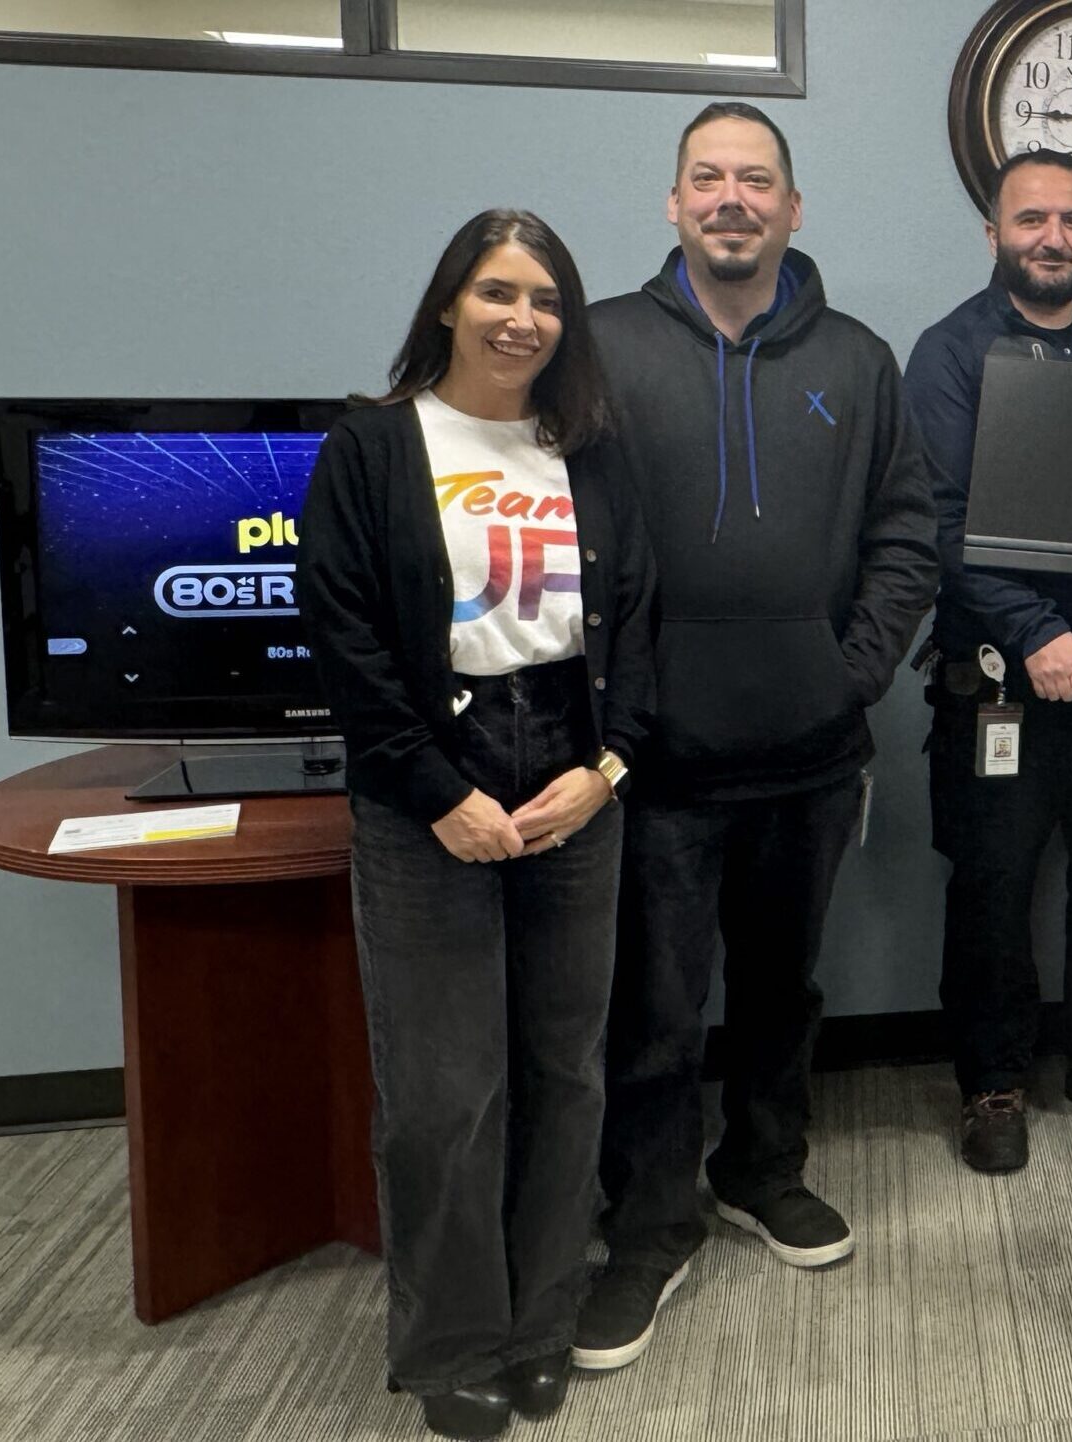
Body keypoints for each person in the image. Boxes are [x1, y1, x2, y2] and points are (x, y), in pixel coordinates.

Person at [574, 102, 939, 1369]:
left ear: (794, 207)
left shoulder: (859, 357)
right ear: (673, 202)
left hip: (812, 750)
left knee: (784, 989)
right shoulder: (600, 348)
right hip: (655, 755)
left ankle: (762, 1166)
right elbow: (560, 535)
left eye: (757, 180)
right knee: (657, 1006)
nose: (733, 198)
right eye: (707, 178)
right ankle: (648, 1223)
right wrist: (621, 693)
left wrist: (850, 674)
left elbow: (907, 531)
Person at [299, 209, 654, 1440]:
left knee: (564, 1070)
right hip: (427, 782)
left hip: (570, 767)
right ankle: (452, 1343)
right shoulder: (375, 445)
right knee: (445, 1093)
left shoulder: (592, 451)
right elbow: (343, 637)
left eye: (548, 299)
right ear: (449, 301)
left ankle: (540, 1324)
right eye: (499, 291)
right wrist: (436, 789)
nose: (524, 318)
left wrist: (605, 768)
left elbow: (642, 630)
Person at [904, 147, 1072, 1175]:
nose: (1051, 237)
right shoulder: (949, 352)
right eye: (1030, 220)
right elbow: (941, 520)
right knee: (991, 883)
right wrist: (1032, 629)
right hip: (997, 677)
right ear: (993, 234)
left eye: (1070, 219)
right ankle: (992, 1077)